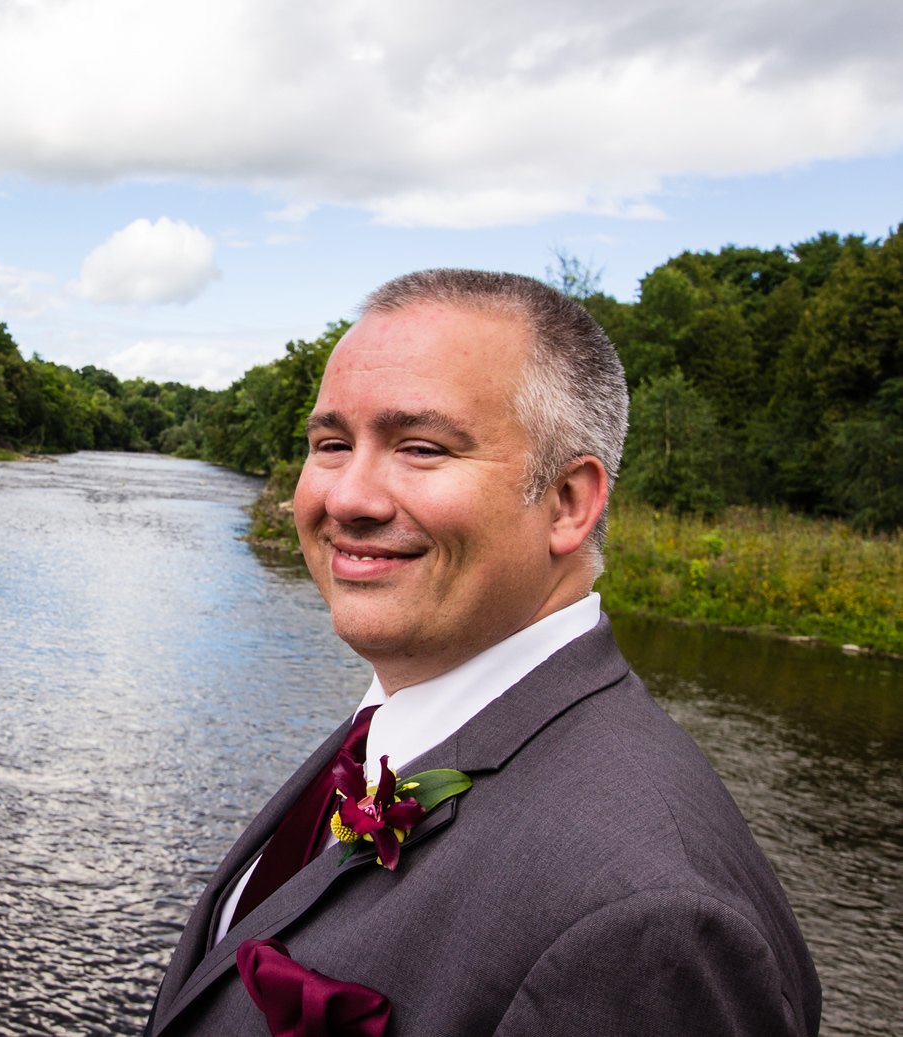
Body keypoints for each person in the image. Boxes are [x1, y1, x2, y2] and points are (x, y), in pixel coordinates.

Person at [147, 270, 820, 1037]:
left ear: (566, 503)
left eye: (421, 447)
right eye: (331, 444)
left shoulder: (648, 923)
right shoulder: (396, 721)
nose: (347, 497)